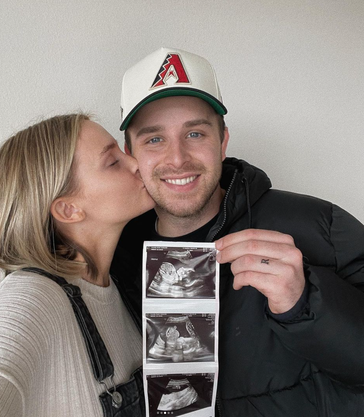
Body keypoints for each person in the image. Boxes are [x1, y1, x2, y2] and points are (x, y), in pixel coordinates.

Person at [111, 47, 364, 416]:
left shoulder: (320, 225)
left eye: (195, 133)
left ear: (223, 140)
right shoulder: (112, 259)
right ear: (129, 152)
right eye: (154, 139)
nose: (178, 158)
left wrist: (307, 305)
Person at [0, 114, 155, 417]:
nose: (137, 163)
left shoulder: (119, 283)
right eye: (113, 162)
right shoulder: (28, 298)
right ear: (69, 209)